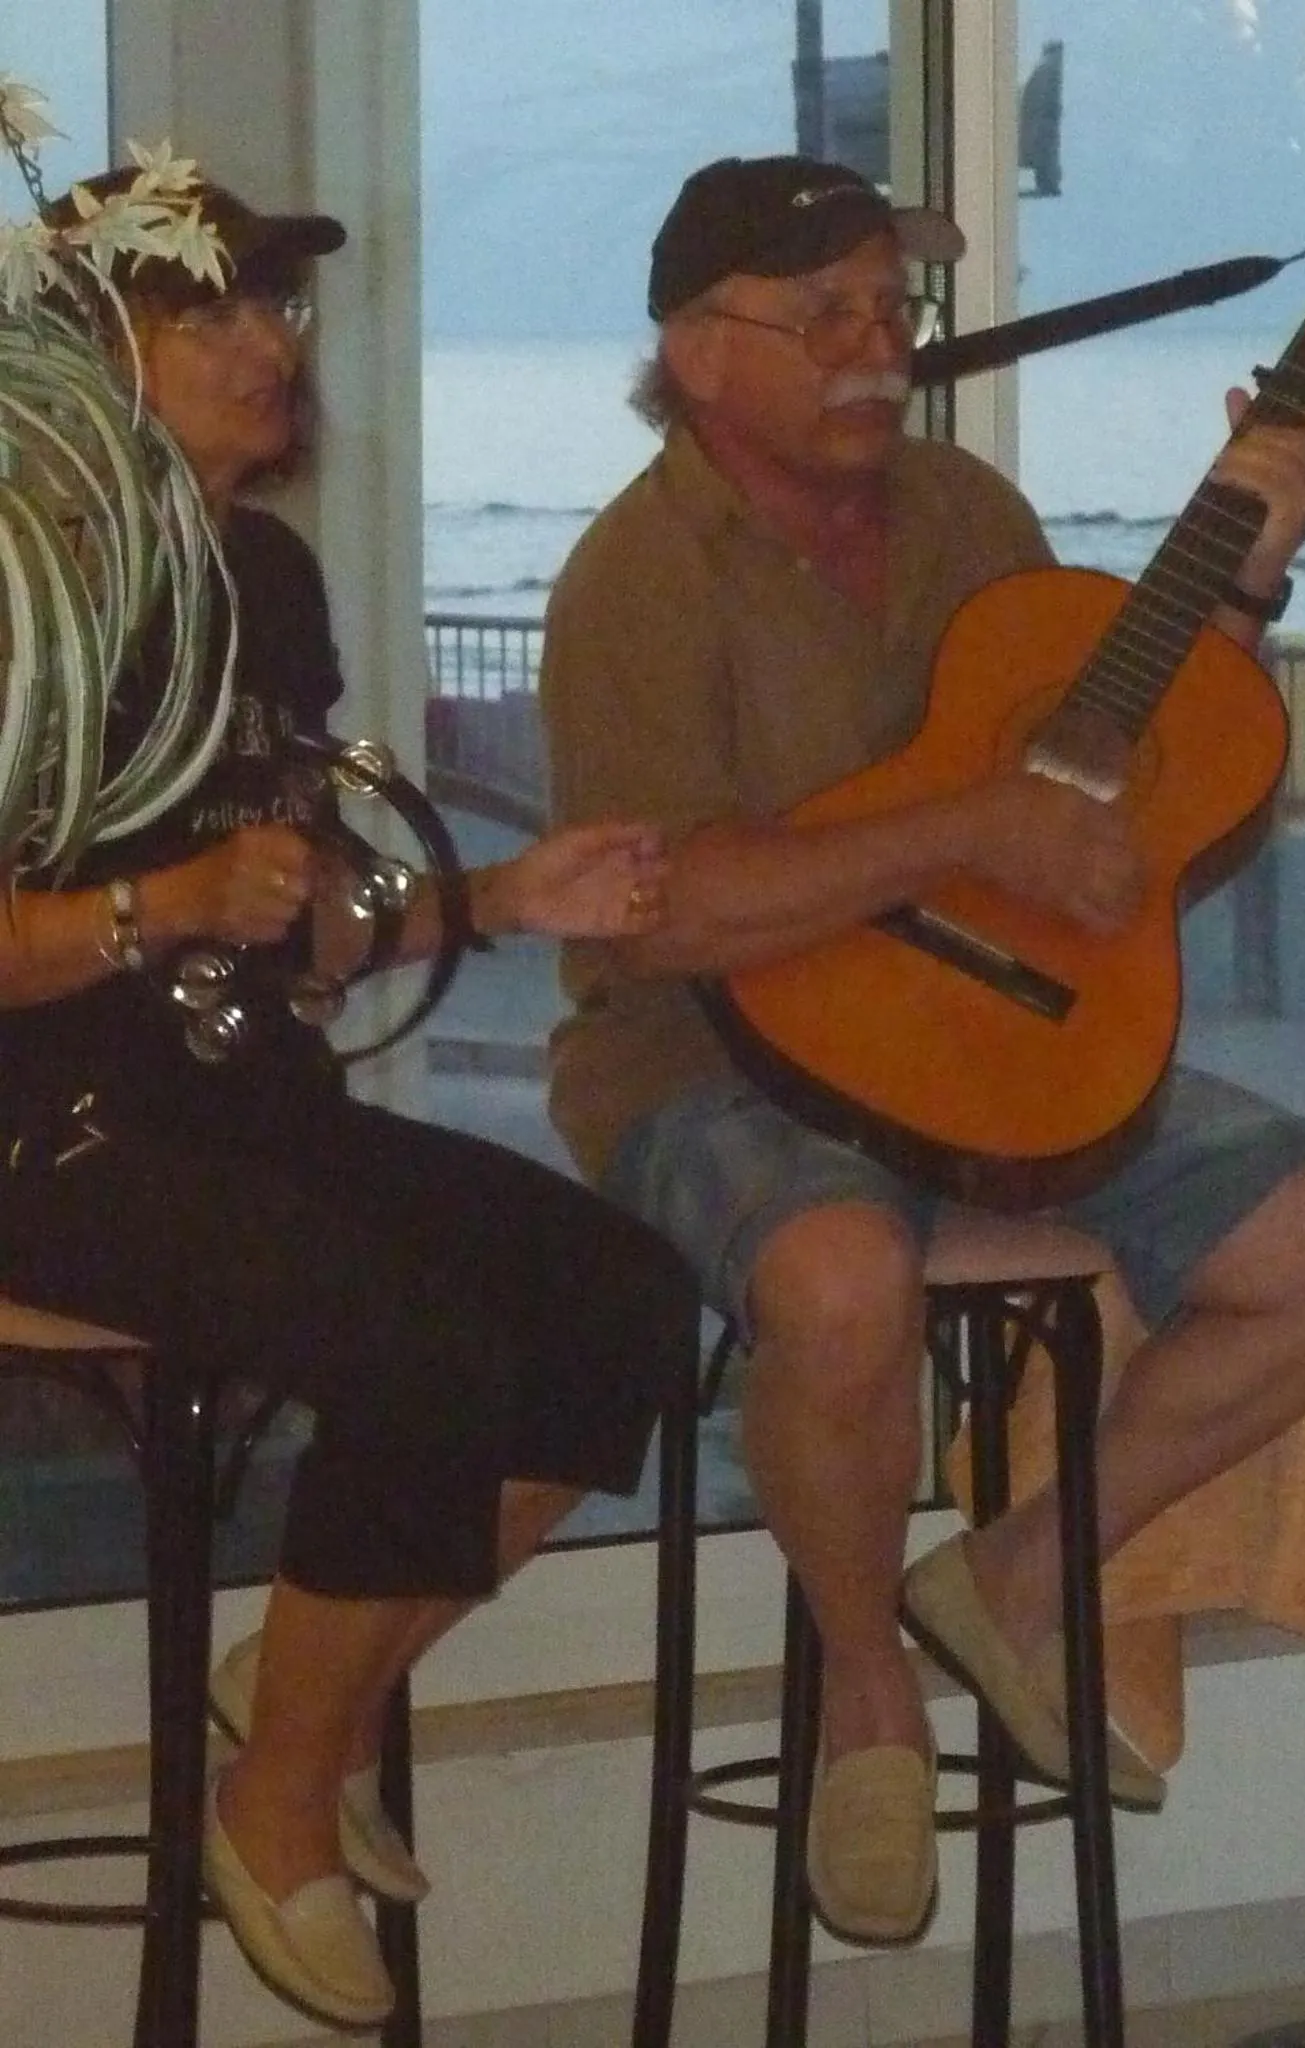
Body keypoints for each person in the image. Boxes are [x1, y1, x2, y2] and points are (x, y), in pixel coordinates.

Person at [538, 155, 1305, 1948]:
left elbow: (1121, 795)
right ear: (699, 354)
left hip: (1000, 1045)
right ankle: (867, 1683)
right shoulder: (636, 576)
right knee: (844, 1273)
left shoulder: (968, 510)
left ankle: (1008, 1583)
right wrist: (965, 838)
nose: (878, 348)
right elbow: (662, 912)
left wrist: (1243, 578)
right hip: (700, 1056)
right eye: (828, 315)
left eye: (893, 307)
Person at [0, 170, 697, 2030]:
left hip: (243, 1098)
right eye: (214, 316)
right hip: (42, 1128)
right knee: (421, 1345)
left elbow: (297, 944)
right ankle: (283, 1793)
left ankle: (309, 1691)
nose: (271, 347)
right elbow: (135, 923)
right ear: (83, 368)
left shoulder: (265, 579)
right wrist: (147, 905)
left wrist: (491, 903)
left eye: (278, 311)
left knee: (628, 1308)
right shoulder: (17, 591)